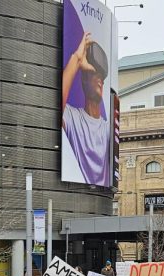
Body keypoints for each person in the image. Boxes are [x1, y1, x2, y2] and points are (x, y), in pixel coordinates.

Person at [61, 32, 112, 187]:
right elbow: (55, 104)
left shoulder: (108, 129)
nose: (100, 80)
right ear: (84, 79)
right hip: (72, 189)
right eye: (94, 73)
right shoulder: (71, 117)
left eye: (102, 76)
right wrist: (77, 58)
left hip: (99, 195)